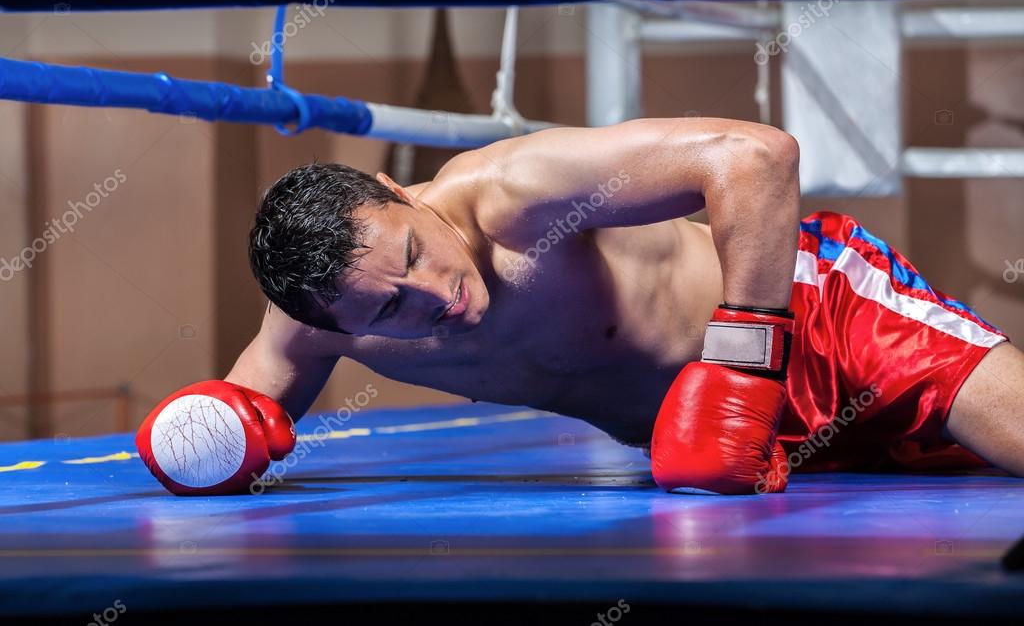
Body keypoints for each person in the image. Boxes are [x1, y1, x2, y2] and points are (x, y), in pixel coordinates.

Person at [135, 118, 1023, 495]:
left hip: (822, 318)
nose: (435, 298)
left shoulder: (515, 193)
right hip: (725, 452)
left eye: (414, 255)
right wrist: (207, 439)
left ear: (393, 189)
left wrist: (743, 362)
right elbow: (242, 421)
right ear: (337, 324)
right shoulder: (320, 319)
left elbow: (754, 157)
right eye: (389, 311)